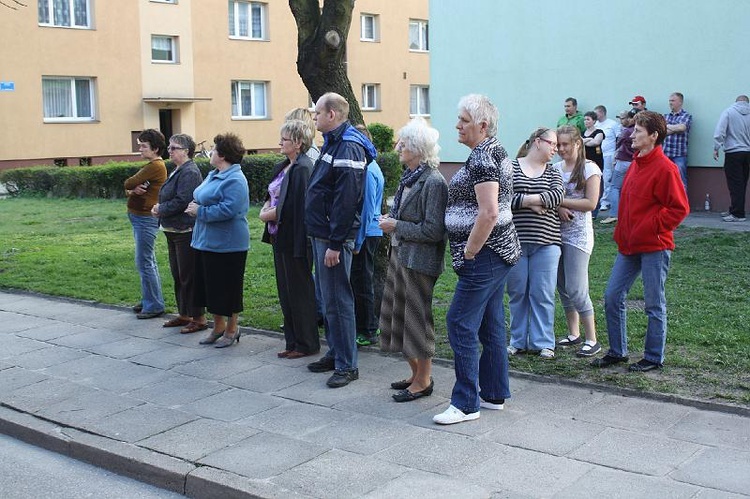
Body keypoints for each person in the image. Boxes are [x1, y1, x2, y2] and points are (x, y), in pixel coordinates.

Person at [433, 94, 521, 425]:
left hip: (485, 254)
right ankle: (494, 393)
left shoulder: (484, 158)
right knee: (490, 322)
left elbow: (489, 212)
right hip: (498, 252)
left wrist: (469, 251)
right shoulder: (491, 151)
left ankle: (466, 402)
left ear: (482, 126)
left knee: (459, 322)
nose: (457, 125)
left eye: (464, 120)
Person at [591, 111, 689, 372]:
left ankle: (653, 357)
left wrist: (651, 227)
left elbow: (679, 209)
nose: (631, 134)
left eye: (638, 131)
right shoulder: (636, 163)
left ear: (653, 136)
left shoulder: (666, 168)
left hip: (655, 246)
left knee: (654, 303)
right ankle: (618, 351)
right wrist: (624, 230)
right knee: (612, 296)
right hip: (629, 245)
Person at [304, 92, 377, 388]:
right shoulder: (334, 142)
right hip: (323, 233)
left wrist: (336, 243)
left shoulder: (348, 145)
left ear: (332, 114)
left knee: (338, 299)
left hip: (333, 238)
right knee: (330, 299)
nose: (314, 118)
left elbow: (347, 199)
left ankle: (347, 365)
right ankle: (336, 353)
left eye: (318, 113)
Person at [379, 117, 448, 403]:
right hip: (401, 255)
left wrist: (395, 226)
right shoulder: (410, 177)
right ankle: (415, 372)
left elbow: (434, 231)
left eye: (403, 144)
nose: (398, 148)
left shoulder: (433, 182)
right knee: (397, 318)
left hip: (420, 261)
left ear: (418, 148)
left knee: (417, 321)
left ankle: (424, 380)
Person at [260, 120, 320, 359]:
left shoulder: (304, 167)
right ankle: (292, 341)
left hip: (296, 238)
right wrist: (266, 209)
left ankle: (306, 343)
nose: (279, 143)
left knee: (299, 292)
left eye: (284, 139)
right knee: (285, 291)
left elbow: (296, 208)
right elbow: (271, 195)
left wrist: (267, 214)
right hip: (279, 237)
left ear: (297, 142)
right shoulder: (285, 165)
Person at [185, 133, 250, 348]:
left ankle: (232, 329)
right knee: (210, 287)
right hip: (205, 241)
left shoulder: (235, 179)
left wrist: (200, 211)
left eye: (214, 149)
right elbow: (201, 195)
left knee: (228, 288)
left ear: (222, 155)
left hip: (228, 244)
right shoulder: (214, 174)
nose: (211, 152)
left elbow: (229, 209)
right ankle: (218, 327)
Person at [506, 128, 564, 359]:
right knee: (517, 292)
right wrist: (531, 201)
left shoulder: (553, 171)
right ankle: (518, 340)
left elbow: (557, 196)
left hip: (547, 242)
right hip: (514, 242)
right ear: (538, 142)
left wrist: (523, 200)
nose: (556, 149)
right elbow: (502, 198)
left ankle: (543, 342)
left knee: (543, 293)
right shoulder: (510, 167)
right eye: (552, 143)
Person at [552, 126, 601, 357]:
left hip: (578, 236)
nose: (561, 149)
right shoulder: (554, 169)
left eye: (565, 145)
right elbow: (548, 198)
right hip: (554, 233)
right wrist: (559, 206)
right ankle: (574, 333)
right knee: (562, 286)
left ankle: (592, 338)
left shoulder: (590, 169)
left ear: (578, 144)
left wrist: (562, 203)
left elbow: (591, 203)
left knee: (576, 287)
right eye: (558, 145)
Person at [150, 134, 207, 334]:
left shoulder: (190, 171)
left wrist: (161, 209)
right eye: (170, 147)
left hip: (185, 230)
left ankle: (198, 317)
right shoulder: (178, 170)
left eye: (174, 148)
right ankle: (184, 314)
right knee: (178, 274)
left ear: (186, 151)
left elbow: (183, 200)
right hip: (173, 229)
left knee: (189, 275)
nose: (170, 151)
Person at [125, 129, 167, 319]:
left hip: (145, 219)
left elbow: (129, 182)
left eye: (143, 146)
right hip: (139, 217)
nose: (140, 149)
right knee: (147, 261)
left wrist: (132, 187)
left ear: (155, 149)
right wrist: (133, 190)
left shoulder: (155, 166)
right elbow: (132, 188)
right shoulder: (151, 166)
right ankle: (149, 299)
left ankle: (154, 305)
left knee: (145, 261)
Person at [352, 124, 384, 347]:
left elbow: (367, 208)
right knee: (362, 279)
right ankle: (368, 323)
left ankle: (368, 329)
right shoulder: (371, 167)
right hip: (369, 230)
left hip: (367, 232)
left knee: (362, 281)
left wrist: (358, 240)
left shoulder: (369, 170)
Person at [713, 95, 750, 222]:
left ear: (736, 101)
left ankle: (738, 214)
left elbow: (720, 131)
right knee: (742, 184)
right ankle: (735, 209)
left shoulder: (729, 111)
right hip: (748, 153)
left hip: (733, 153)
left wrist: (716, 147)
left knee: (735, 184)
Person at [601, 109, 639, 225]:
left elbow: (618, 144)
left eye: (623, 118)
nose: (621, 121)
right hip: (634, 162)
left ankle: (614, 214)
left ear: (631, 118)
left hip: (623, 162)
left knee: (614, 187)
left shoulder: (627, 131)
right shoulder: (638, 131)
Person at [663, 92, 693, 192]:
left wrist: (667, 127)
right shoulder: (665, 116)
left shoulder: (687, 116)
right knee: (665, 182)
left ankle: (683, 207)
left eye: (673, 101)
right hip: (665, 154)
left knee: (681, 182)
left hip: (679, 155)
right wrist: (675, 128)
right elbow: (662, 131)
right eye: (669, 101)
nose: (670, 103)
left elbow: (682, 127)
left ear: (680, 102)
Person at [594, 105, 618, 211]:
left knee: (607, 177)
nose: (595, 115)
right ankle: (599, 199)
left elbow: (618, 138)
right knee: (599, 178)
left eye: (597, 113)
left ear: (602, 113)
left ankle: (605, 201)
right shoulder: (595, 125)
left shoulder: (612, 124)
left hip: (609, 154)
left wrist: (616, 154)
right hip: (598, 155)